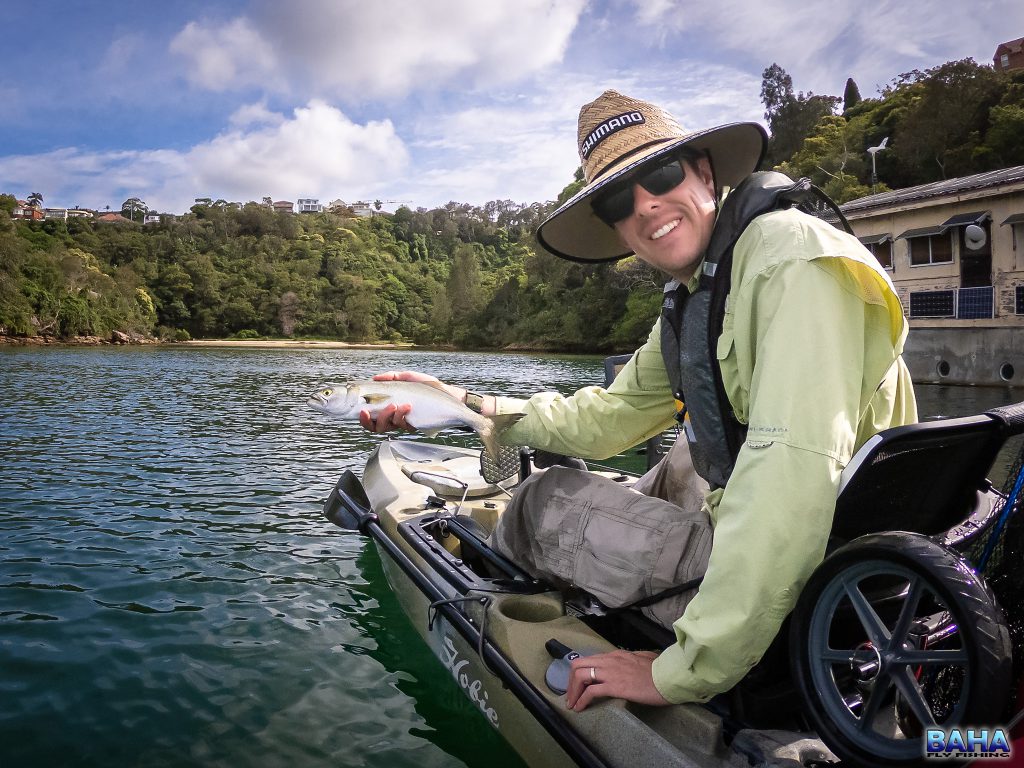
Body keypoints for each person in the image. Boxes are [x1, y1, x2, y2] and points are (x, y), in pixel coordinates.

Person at [361, 90, 917, 713]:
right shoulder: (703, 286)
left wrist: (683, 670)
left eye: (658, 175)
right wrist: (469, 404)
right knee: (686, 451)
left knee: (540, 498)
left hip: (821, 585)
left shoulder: (790, 262)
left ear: (705, 173)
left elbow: (790, 475)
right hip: (809, 540)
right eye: (619, 200)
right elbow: (610, 417)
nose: (646, 205)